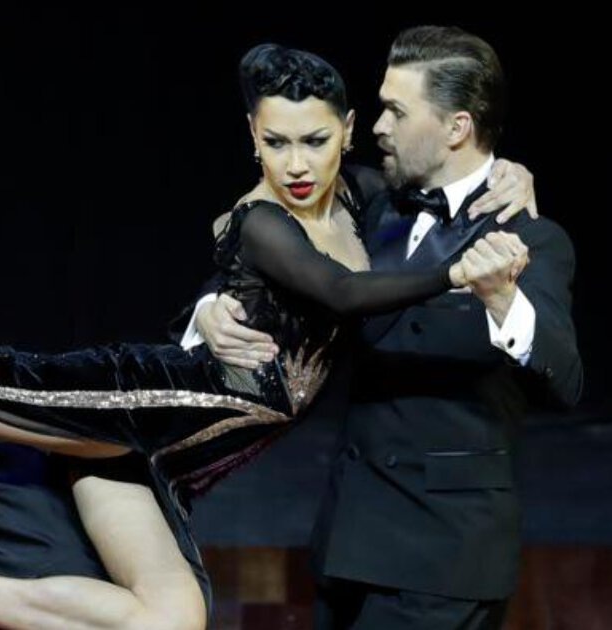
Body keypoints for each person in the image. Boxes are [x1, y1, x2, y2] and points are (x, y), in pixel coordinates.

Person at [0, 42, 532, 630]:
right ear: (252, 139)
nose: (295, 164)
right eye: (275, 143)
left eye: (313, 141)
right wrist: (461, 271)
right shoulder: (264, 220)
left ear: (345, 133)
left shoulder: (363, 194)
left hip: (154, 460)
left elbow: (435, 195)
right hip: (142, 405)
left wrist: (511, 176)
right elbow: (342, 291)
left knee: (172, 617)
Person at [192, 27, 581, 630]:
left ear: (456, 127)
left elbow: (566, 382)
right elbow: (261, 230)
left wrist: (503, 299)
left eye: (397, 111)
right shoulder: (374, 205)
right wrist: (212, 303)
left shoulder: (530, 238)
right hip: (349, 543)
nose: (377, 127)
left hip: (445, 562)